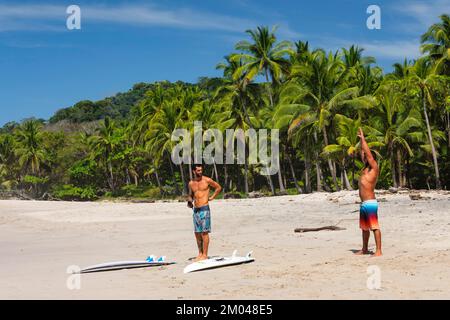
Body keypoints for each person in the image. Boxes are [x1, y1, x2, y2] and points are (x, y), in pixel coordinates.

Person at [355, 127, 382, 257]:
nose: (364, 157)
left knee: (374, 227)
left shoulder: (374, 169)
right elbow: (363, 153)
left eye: (367, 156)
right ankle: (365, 249)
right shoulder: (364, 170)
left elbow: (368, 154)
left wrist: (364, 139)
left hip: (370, 202)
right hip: (363, 203)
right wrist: (360, 142)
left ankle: (378, 251)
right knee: (364, 228)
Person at [187, 164, 222, 261]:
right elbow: (191, 195)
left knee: (204, 233)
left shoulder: (207, 180)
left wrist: (212, 197)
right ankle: (200, 253)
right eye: (198, 170)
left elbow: (218, 187)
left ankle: (205, 255)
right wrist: (189, 201)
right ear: (194, 171)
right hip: (196, 210)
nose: (200, 172)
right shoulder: (191, 183)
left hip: (204, 209)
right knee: (197, 233)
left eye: (201, 170)